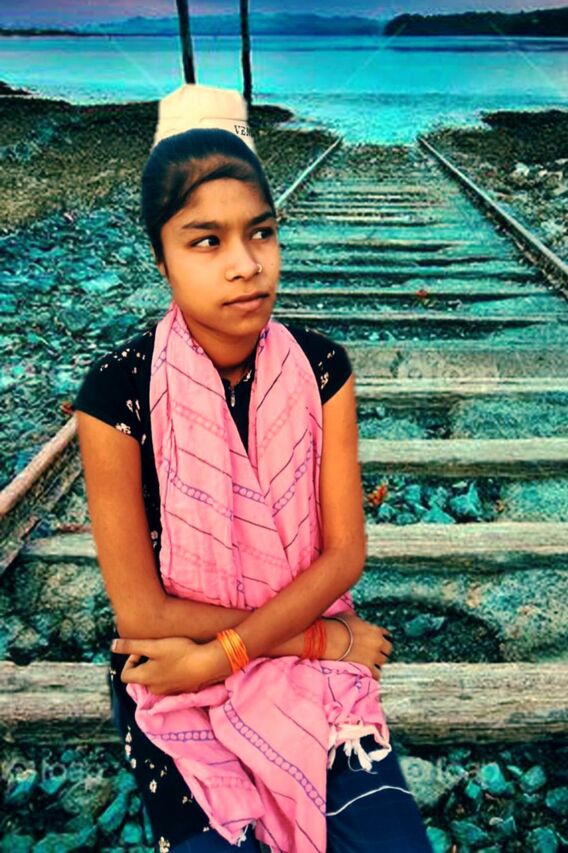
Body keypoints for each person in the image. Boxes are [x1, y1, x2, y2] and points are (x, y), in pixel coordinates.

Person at [73, 84, 433, 853]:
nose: (245, 265)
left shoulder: (322, 368)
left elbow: (344, 553)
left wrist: (222, 653)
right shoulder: (114, 393)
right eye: (206, 241)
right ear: (161, 257)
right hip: (173, 675)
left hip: (247, 665)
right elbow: (142, 615)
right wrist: (315, 639)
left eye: (261, 233)